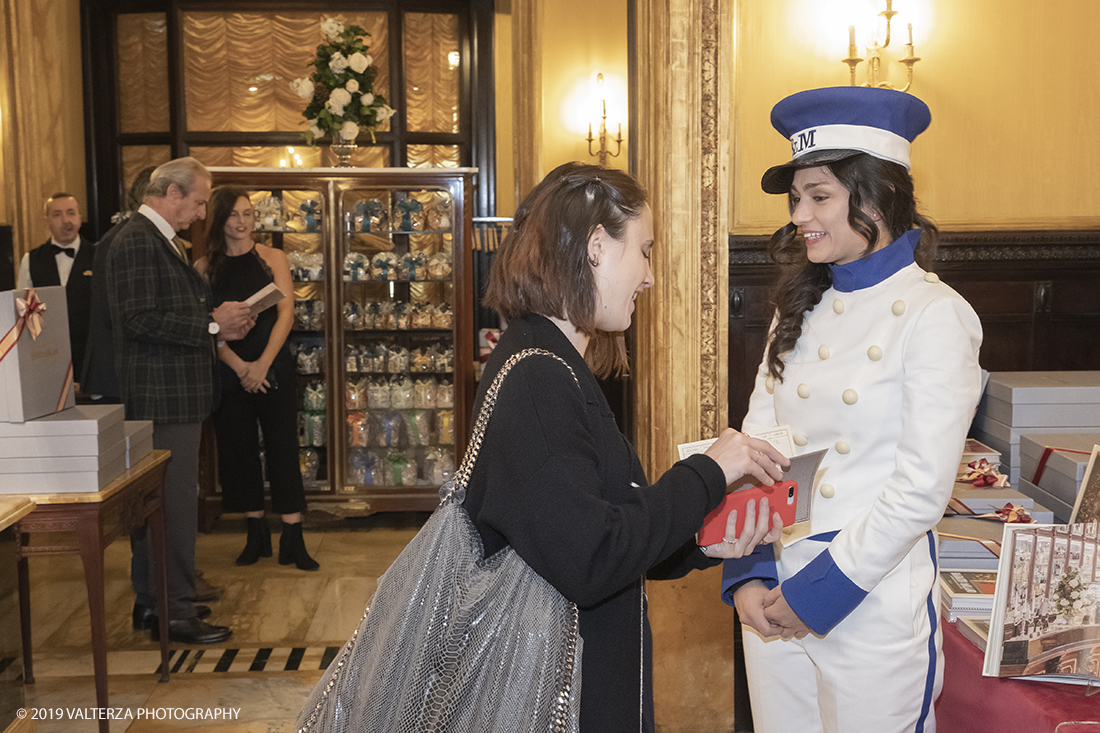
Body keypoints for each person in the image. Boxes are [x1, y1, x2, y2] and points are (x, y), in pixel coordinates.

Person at [465, 161, 790, 732]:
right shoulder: (537, 378)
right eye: (644, 250)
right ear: (595, 246)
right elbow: (591, 557)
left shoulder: (554, 362)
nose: (649, 277)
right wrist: (708, 474)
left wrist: (705, 538)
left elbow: (608, 523)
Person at [721, 87, 983, 732]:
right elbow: (759, 445)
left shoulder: (936, 314)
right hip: (776, 588)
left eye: (820, 197)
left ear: (875, 198)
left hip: (866, 599)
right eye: (795, 200)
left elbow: (920, 489)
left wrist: (818, 596)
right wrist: (749, 573)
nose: (801, 216)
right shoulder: (797, 306)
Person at [105, 157, 254, 645]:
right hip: (161, 398)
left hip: (174, 394)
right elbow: (138, 319)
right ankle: (177, 613)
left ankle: (154, 602)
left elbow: (163, 312)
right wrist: (212, 326)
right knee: (172, 506)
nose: (201, 211)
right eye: (198, 201)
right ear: (170, 193)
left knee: (161, 506)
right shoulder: (136, 240)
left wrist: (216, 315)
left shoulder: (156, 239)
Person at [195, 187, 318, 571]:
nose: (243, 221)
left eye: (248, 213)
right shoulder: (202, 268)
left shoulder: (273, 257)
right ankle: (255, 533)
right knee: (239, 450)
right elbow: (205, 327)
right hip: (230, 371)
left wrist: (262, 364)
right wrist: (239, 367)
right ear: (218, 219)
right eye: (234, 214)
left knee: (283, 447)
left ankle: (293, 537)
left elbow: (285, 314)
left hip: (273, 365)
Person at [82, 167, 156, 403]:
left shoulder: (138, 235)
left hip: (131, 374)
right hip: (117, 375)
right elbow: (117, 311)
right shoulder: (121, 238)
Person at [17, 193, 95, 379]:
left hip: (90, 357)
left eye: (71, 213)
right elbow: (22, 312)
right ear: (47, 221)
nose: (66, 220)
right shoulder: (30, 260)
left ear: (80, 217)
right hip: (47, 358)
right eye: (57, 215)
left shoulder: (99, 256)